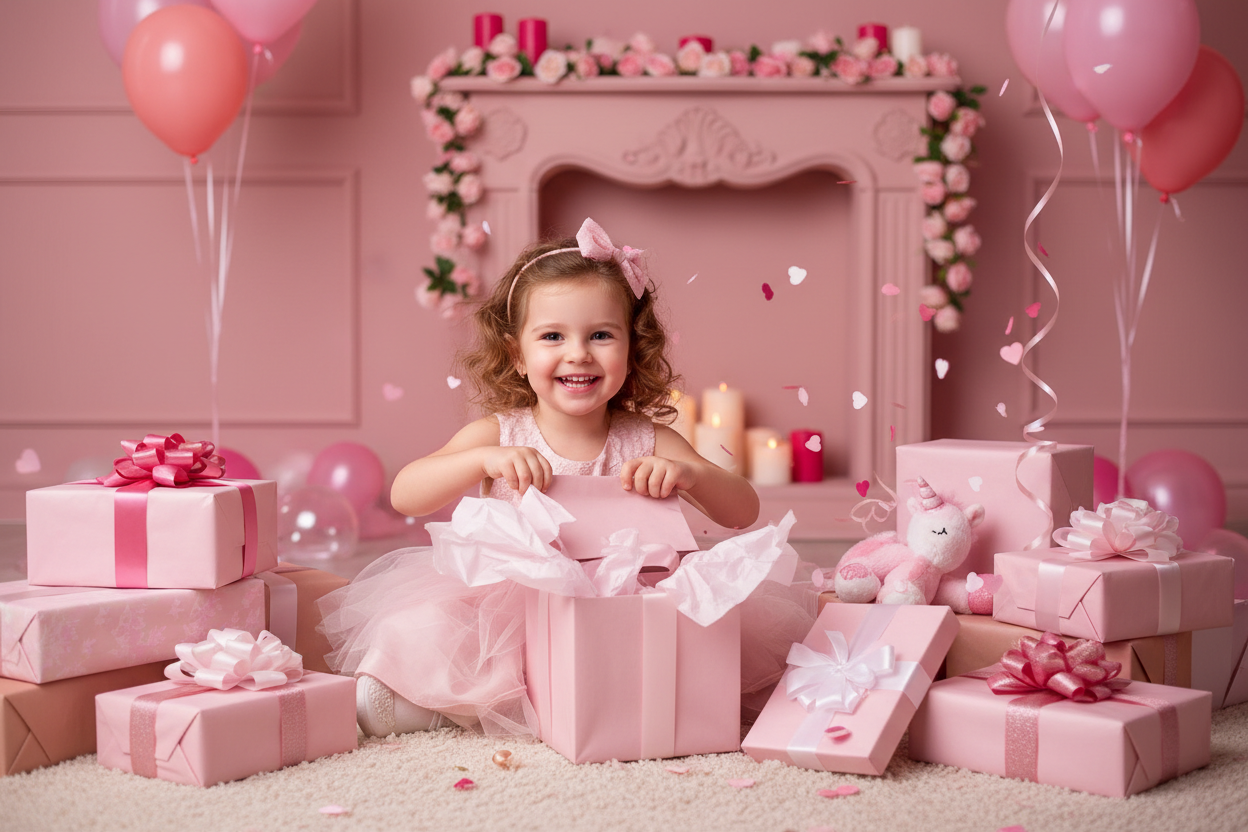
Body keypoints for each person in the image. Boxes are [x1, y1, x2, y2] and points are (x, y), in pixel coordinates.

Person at [319, 218, 798, 738]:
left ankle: (575, 697)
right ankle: (455, 701)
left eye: (600, 335)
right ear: (517, 356)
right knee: (429, 631)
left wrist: (688, 474)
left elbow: (742, 512)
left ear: (630, 351)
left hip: (625, 611)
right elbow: (406, 493)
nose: (578, 353)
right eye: (552, 336)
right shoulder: (500, 433)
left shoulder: (647, 438)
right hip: (515, 608)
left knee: (703, 646)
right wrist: (480, 462)